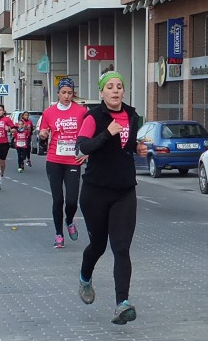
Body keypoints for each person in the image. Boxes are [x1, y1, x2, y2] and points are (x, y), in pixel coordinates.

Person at [76, 68, 147, 325]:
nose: (115, 90)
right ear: (102, 92)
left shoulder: (132, 115)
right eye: (110, 87)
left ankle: (122, 304)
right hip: (95, 191)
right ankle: (85, 277)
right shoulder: (93, 117)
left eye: (119, 86)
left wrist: (137, 147)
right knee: (98, 246)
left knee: (121, 248)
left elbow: (127, 145)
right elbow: (83, 147)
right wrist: (108, 133)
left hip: (125, 190)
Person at [38, 78, 88, 248]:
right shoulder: (49, 113)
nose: (67, 96)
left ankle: (69, 220)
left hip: (73, 160)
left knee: (72, 200)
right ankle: (59, 234)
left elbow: (88, 134)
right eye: (63, 93)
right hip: (54, 160)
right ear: (58, 94)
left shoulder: (81, 112)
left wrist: (86, 152)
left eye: (70, 93)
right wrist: (43, 135)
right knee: (58, 199)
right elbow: (42, 133)